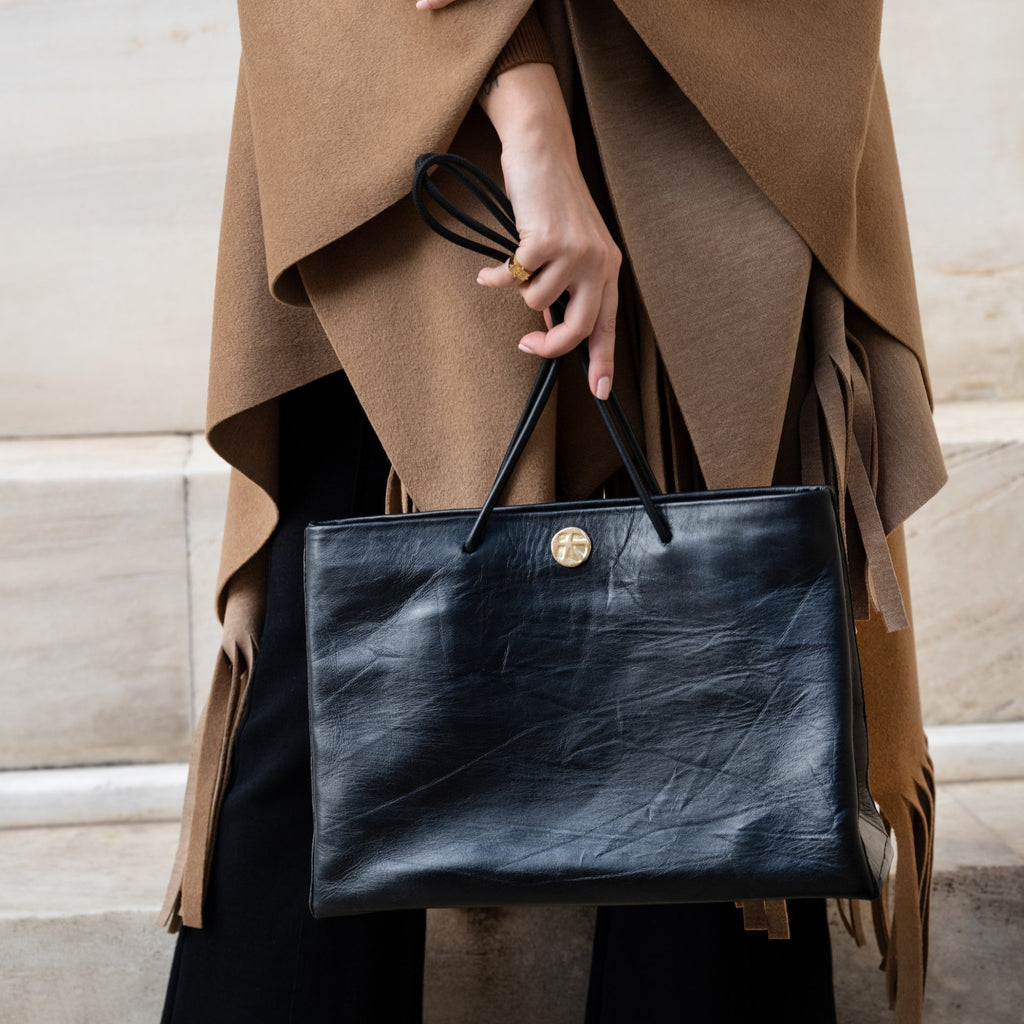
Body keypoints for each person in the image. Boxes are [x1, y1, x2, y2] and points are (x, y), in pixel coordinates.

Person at [159, 2, 947, 1022]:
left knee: (726, 686)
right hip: (428, 85)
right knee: (353, 656)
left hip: (715, 79)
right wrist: (525, 109)